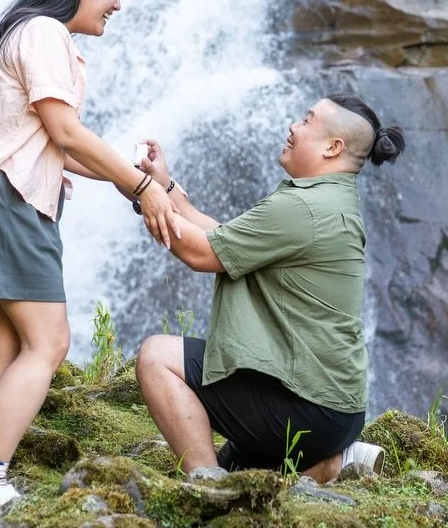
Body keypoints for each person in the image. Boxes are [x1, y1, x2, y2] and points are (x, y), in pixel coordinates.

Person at [0, 0, 178, 511]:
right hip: (5, 198)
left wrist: (126, 176)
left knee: (3, 351)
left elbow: (55, 144)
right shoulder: (45, 32)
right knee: (49, 343)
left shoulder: (24, 31)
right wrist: (140, 187)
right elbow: (66, 132)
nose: (118, 4)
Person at [134, 94, 404, 482]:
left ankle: (207, 487)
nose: (293, 126)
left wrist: (143, 192)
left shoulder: (305, 208)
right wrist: (166, 188)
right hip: (334, 409)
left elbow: (202, 253)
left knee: (157, 356)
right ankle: (331, 462)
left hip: (306, 407)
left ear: (333, 147)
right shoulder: (329, 199)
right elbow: (224, 239)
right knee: (242, 473)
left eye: (307, 121)